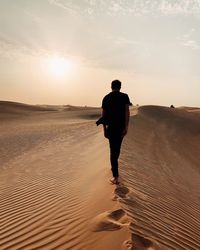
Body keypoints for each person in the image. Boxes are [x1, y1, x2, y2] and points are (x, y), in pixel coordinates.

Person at [101, 80, 131, 185]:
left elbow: (103, 115)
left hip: (111, 128)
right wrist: (126, 127)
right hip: (120, 128)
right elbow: (127, 112)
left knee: (113, 150)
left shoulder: (106, 98)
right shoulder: (125, 96)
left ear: (111, 86)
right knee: (117, 149)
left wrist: (104, 129)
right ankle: (115, 172)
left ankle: (115, 176)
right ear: (120, 87)